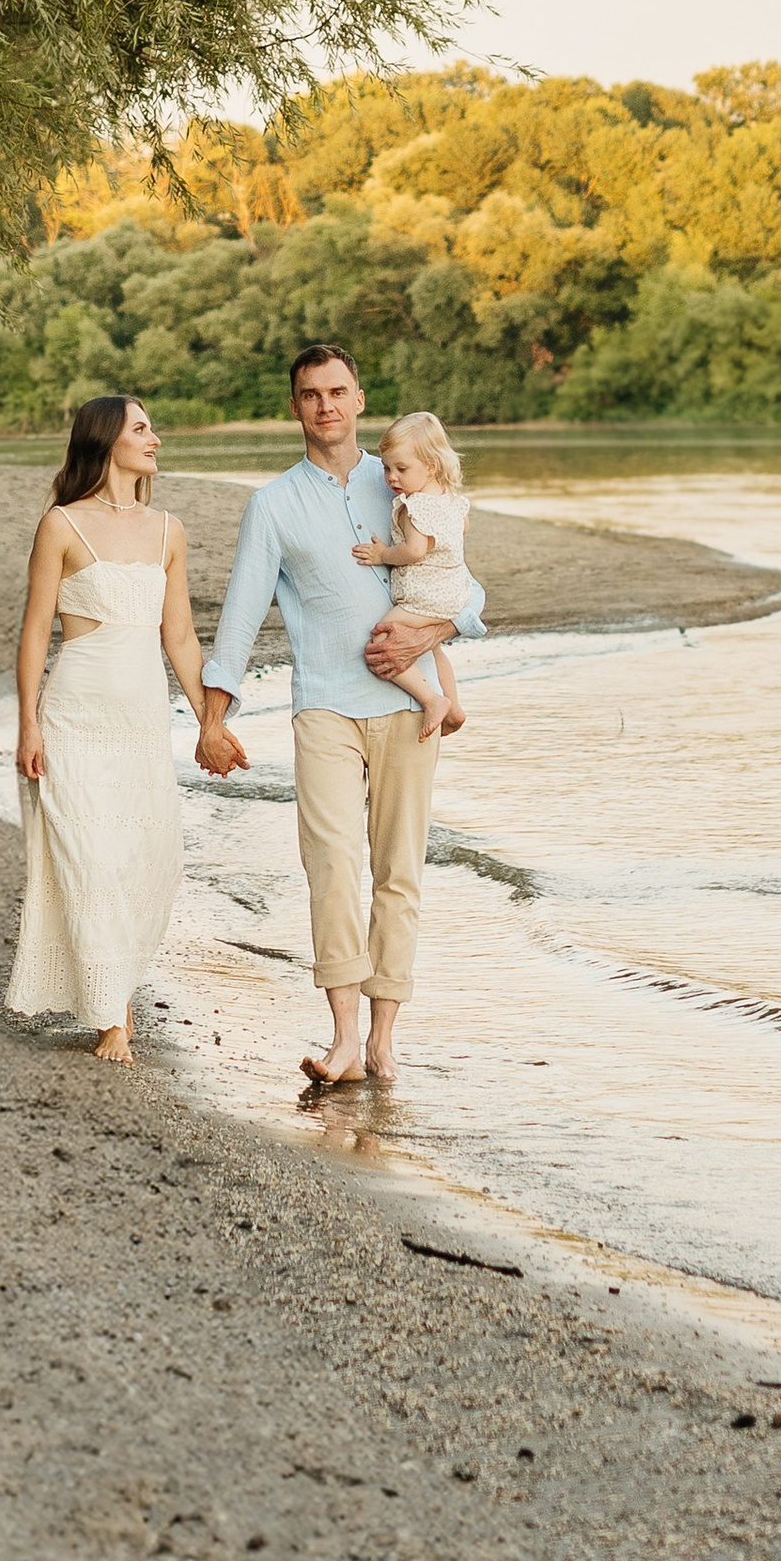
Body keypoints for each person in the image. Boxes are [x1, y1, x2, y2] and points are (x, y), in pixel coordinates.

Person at [196, 343, 483, 1091]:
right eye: (310, 394)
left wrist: (435, 631)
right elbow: (239, 616)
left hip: (405, 705)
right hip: (323, 704)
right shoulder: (272, 505)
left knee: (399, 873)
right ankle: (346, 1039)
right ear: (295, 407)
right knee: (330, 866)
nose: (325, 405)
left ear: (359, 399)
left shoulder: (405, 479)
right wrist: (212, 718)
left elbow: (465, 587)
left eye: (338, 391)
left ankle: (386, 1042)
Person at [7, 393, 229, 1067]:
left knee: (146, 861)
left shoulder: (169, 531)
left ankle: (115, 996)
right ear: (107, 441)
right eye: (142, 428)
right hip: (74, 717)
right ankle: (112, 1020)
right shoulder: (62, 525)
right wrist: (26, 725)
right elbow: (34, 630)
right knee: (89, 857)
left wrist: (209, 721)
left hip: (141, 723)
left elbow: (183, 637)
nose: (155, 438)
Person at [350, 410, 479, 743]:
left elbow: (414, 551)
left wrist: (383, 555)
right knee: (434, 650)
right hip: (454, 593)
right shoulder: (453, 501)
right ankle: (455, 707)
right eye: (387, 468)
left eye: (402, 469)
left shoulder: (413, 507)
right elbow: (462, 531)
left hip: (424, 597)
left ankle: (432, 700)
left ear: (431, 466)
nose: (392, 477)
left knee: (382, 640)